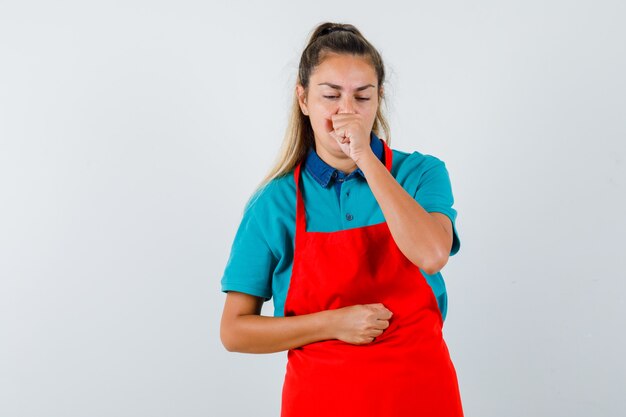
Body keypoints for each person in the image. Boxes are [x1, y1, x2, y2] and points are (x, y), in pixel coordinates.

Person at [219, 22, 464, 417]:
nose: (345, 111)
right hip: (321, 402)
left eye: (362, 97)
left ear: (378, 99)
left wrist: (366, 158)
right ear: (303, 99)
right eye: (330, 95)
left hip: (420, 395)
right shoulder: (275, 203)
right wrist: (334, 324)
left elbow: (432, 254)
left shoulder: (421, 174)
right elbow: (234, 331)